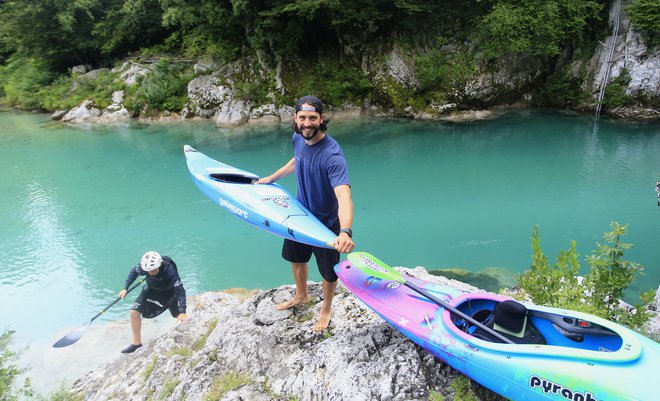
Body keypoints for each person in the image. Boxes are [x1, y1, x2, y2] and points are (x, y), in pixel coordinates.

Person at [257, 95, 355, 332]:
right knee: (296, 258)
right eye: (303, 117)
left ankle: (327, 307)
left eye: (313, 118)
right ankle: (302, 295)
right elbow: (296, 161)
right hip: (299, 216)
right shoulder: (298, 138)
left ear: (322, 119)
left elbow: (344, 196)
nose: (307, 123)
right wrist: (271, 178)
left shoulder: (332, 156)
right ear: (296, 118)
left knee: (328, 272)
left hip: (325, 225)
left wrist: (345, 231)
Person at [118, 251, 188, 353]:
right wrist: (125, 288)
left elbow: (180, 290)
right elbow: (133, 272)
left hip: (169, 293)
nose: (150, 273)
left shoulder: (169, 270)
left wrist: (183, 311)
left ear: (159, 265)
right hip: (150, 290)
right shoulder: (143, 266)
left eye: (153, 270)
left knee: (177, 315)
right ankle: (136, 344)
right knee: (134, 312)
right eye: (148, 271)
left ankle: (187, 329)